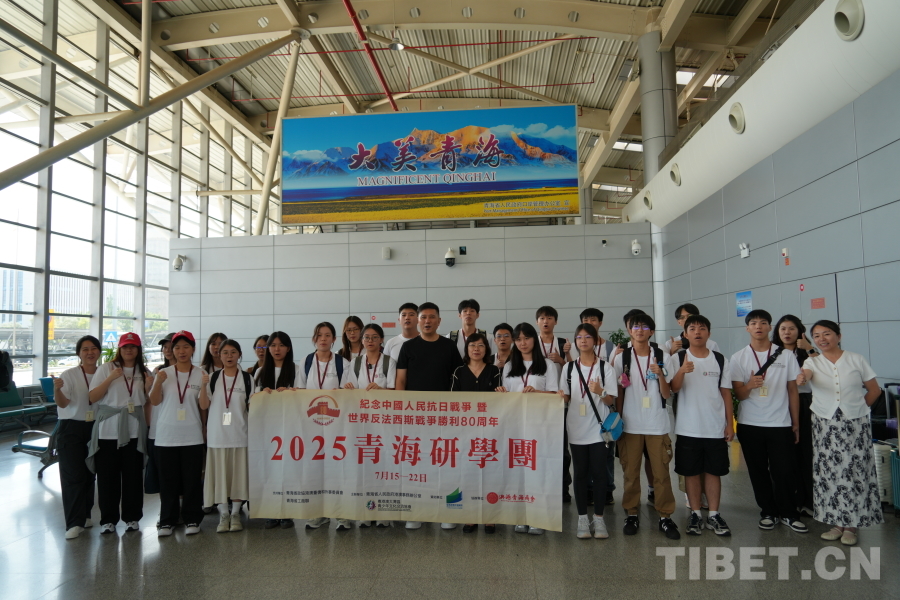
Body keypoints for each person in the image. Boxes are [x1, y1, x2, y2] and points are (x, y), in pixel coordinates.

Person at [797, 320, 882, 546]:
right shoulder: (812, 361)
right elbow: (806, 374)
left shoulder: (856, 359)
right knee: (830, 472)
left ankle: (852, 524)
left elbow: (874, 390)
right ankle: (836, 523)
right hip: (825, 423)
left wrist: (857, 408)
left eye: (827, 334)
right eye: (817, 335)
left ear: (838, 336)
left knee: (854, 471)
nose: (822, 339)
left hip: (855, 424)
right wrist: (802, 378)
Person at [730, 310, 807, 533]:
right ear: (747, 328)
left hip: (780, 423)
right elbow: (739, 394)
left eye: (763, 323)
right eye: (753, 323)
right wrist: (749, 386)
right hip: (750, 424)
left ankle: (789, 513)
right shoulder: (738, 357)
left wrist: (795, 423)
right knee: (758, 471)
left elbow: (792, 390)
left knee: (784, 471)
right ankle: (768, 512)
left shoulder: (785, 355)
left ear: (769, 327)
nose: (758, 327)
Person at [396, 302, 464, 530]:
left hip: (443, 415)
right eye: (423, 317)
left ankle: (447, 510)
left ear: (439, 321)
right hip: (415, 416)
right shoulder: (408, 347)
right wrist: (401, 412)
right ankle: (418, 510)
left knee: (445, 461)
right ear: (418, 320)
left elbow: (458, 379)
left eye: (432, 317)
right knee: (418, 463)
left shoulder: (449, 346)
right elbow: (401, 381)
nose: (427, 321)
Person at [612, 314, 680, 540]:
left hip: (656, 424)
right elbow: (619, 390)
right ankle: (631, 513)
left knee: (661, 473)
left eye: (644, 326)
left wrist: (660, 375)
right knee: (630, 473)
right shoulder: (622, 357)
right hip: (630, 424)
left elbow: (667, 394)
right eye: (635, 326)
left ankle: (665, 516)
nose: (639, 330)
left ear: (651, 331)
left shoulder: (662, 356)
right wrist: (619, 419)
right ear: (629, 331)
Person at [667, 315, 734, 537]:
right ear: (685, 334)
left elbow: (726, 393)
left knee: (714, 472)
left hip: (715, 427)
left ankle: (714, 514)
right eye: (693, 328)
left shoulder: (720, 359)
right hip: (688, 427)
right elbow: (673, 389)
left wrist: (730, 424)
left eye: (702, 328)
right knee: (691, 472)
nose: (697, 332)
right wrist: (682, 371)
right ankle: (695, 513)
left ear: (709, 333)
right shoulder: (678, 358)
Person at [497, 322, 559, 535]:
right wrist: (502, 393)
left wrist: (537, 393)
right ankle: (520, 516)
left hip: (539, 426)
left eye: (526, 338)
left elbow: (555, 396)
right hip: (515, 426)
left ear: (534, 339)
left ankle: (538, 517)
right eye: (518, 339)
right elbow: (507, 397)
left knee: (537, 471)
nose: (522, 343)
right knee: (517, 472)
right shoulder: (509, 366)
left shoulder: (547, 365)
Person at [87, 332, 152, 534]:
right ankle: (108, 520)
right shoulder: (106, 368)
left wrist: (148, 387)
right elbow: (93, 397)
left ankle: (132, 518)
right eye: (125, 347)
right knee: (107, 478)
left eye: (132, 347)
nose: (128, 350)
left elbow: (148, 401)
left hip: (134, 431)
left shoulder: (144, 371)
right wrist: (110, 379)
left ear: (138, 349)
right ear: (119, 349)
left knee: (133, 477)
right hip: (108, 431)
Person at [559, 323, 616, 540]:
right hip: (576, 427)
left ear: (595, 340)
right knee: (580, 474)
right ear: (575, 341)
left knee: (600, 474)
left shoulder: (605, 368)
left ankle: (599, 518)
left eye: (587, 337)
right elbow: (566, 397)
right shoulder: (569, 368)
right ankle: (582, 518)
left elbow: (610, 400)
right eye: (579, 337)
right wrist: (560, 396)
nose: (583, 341)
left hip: (599, 429)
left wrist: (600, 391)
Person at [148, 331, 205, 537]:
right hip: (166, 435)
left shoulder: (200, 374)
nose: (181, 351)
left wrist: (205, 429)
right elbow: (154, 401)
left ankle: (192, 519)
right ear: (172, 350)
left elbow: (203, 406)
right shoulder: (164, 373)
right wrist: (157, 382)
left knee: (192, 480)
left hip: (192, 435)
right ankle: (167, 521)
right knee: (168, 481)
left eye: (186, 347)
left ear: (193, 349)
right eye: (177, 347)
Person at [449, 331, 501, 534]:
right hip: (466, 432)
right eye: (472, 345)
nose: (476, 349)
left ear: (486, 349)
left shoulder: (494, 370)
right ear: (466, 349)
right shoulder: (459, 371)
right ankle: (470, 516)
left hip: (490, 432)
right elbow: (453, 402)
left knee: (490, 473)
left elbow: (499, 402)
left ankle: (489, 517)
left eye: (480, 345)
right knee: (468, 473)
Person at [301, 322, 352, 531]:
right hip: (312, 426)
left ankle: (342, 514)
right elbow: (299, 391)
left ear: (334, 339)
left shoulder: (342, 363)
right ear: (314, 338)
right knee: (315, 470)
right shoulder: (306, 361)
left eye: (327, 335)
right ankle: (319, 514)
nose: (323, 339)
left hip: (336, 425)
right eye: (319, 335)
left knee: (338, 469)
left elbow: (348, 394)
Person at [199, 339, 252, 534]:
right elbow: (203, 405)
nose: (229, 356)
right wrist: (203, 386)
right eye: (225, 353)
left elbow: (250, 406)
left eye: (233, 352)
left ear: (239, 354)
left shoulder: (247, 378)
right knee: (219, 476)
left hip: (240, 434)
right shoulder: (212, 378)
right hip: (218, 436)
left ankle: (236, 513)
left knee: (238, 476)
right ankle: (223, 514)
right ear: (219, 355)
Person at [53, 335, 101, 539]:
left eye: (93, 348)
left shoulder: (103, 373)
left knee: (90, 473)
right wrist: (57, 389)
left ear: (99, 351)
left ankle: (86, 514)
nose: (90, 352)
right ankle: (74, 522)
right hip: (71, 428)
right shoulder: (70, 374)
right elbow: (62, 403)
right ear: (79, 353)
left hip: (96, 427)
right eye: (85, 349)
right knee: (73, 475)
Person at [254, 331, 302, 530]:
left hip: (288, 427)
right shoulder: (259, 372)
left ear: (288, 348)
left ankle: (287, 513)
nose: (276, 349)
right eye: (273, 345)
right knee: (268, 471)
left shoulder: (296, 370)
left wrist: (291, 393)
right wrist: (262, 394)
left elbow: (302, 396)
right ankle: (271, 511)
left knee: (288, 471)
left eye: (281, 345)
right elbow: (252, 401)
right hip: (266, 429)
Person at [772, 314, 818, 516]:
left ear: (800, 332)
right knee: (785, 456)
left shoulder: (808, 354)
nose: (787, 333)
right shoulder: (773, 353)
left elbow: (825, 367)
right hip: (780, 403)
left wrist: (809, 348)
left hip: (805, 404)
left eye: (791, 329)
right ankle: (789, 500)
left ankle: (809, 501)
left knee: (806, 454)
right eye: (783, 329)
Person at [145, 332, 175, 498]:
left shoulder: (191, 372)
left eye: (171, 347)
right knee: (162, 473)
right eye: (165, 347)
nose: (168, 350)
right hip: (158, 428)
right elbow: (151, 400)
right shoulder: (158, 371)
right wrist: (148, 386)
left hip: (180, 429)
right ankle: (167, 506)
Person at [345, 324, 397, 392]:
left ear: (381, 340)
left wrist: (380, 389)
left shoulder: (389, 362)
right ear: (362, 340)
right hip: (361, 399)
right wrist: (348, 387)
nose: (370, 340)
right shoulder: (355, 362)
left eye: (374, 337)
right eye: (366, 337)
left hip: (381, 399)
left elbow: (392, 390)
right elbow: (353, 389)